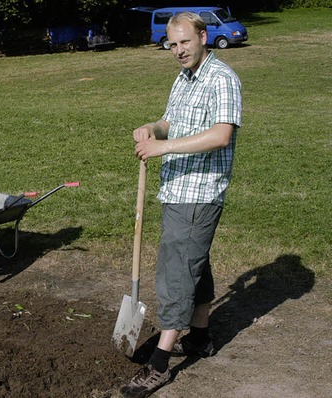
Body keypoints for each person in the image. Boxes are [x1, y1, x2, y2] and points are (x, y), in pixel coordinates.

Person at [121, 12, 242, 398]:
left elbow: (221, 135)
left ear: (203, 37)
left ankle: (158, 365)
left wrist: (162, 147)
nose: (178, 51)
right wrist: (152, 129)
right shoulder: (184, 78)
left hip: (199, 192)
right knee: (195, 262)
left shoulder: (222, 79)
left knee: (176, 272)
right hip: (177, 188)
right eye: (172, 44)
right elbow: (172, 121)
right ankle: (200, 337)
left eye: (185, 42)